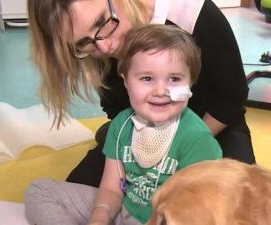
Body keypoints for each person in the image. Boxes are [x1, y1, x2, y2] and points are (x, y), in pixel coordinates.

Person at [27, 0, 256, 187]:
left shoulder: (192, 12)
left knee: (241, 200)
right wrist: (140, 143)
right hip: (143, 131)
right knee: (75, 192)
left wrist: (181, 145)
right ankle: (113, 135)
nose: (105, 47)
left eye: (101, 21)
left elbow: (231, 97)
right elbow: (115, 106)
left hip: (213, 125)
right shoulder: (98, 46)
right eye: (84, 42)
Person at [24, 24, 223, 225]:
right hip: (123, 211)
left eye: (174, 79)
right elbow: (111, 189)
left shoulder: (197, 140)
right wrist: (99, 217)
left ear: (190, 84)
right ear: (126, 81)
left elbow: (194, 216)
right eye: (147, 78)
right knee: (40, 191)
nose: (161, 90)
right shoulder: (121, 125)